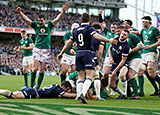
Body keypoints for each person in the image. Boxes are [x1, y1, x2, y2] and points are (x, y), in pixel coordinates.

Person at [57, 12, 117, 104]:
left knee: (80, 77)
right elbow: (96, 36)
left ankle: (78, 95)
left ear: (81, 20)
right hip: (88, 53)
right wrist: (109, 40)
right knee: (90, 76)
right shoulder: (89, 28)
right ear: (89, 20)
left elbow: (69, 42)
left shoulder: (76, 30)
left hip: (78, 54)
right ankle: (83, 94)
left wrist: (61, 52)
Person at [16, 3, 69, 89]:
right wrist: (20, 12)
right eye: (39, 21)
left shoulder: (49, 25)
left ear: (44, 20)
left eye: (41, 21)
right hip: (37, 49)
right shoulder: (35, 25)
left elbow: (57, 19)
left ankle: (37, 88)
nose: (40, 22)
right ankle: (31, 86)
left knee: (41, 70)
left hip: (46, 50)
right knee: (34, 69)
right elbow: (27, 20)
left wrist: (63, 11)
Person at [132, 16, 160, 96]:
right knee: (140, 72)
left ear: (149, 21)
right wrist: (130, 32)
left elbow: (159, 41)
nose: (143, 23)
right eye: (142, 21)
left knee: (151, 73)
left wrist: (150, 46)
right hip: (144, 53)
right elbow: (138, 33)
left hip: (152, 52)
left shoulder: (154, 30)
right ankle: (141, 92)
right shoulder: (143, 30)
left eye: (145, 21)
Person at [122, 20, 144, 99]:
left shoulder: (132, 36)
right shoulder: (121, 37)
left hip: (135, 58)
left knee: (130, 75)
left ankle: (136, 94)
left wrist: (131, 51)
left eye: (124, 24)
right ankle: (128, 93)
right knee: (125, 75)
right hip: (127, 59)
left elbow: (141, 46)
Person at [108, 29, 130, 99]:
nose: (122, 35)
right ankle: (122, 94)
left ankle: (125, 93)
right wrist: (110, 58)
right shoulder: (115, 39)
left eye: (124, 35)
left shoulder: (126, 46)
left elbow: (123, 61)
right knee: (111, 84)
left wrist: (115, 70)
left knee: (122, 75)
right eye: (122, 33)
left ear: (127, 37)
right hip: (115, 63)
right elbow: (110, 48)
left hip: (122, 64)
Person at [0, 81, 76, 99]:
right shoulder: (59, 89)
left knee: (12, 95)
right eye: (66, 89)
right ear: (63, 86)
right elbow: (66, 95)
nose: (66, 91)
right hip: (33, 93)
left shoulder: (56, 86)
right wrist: (79, 95)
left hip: (32, 91)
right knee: (13, 96)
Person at [98, 10, 118, 79]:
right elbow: (101, 24)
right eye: (112, 27)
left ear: (117, 29)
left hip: (116, 57)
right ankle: (106, 88)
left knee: (113, 74)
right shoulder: (108, 32)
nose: (113, 29)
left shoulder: (119, 35)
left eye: (115, 28)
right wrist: (100, 15)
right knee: (105, 73)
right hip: (107, 56)